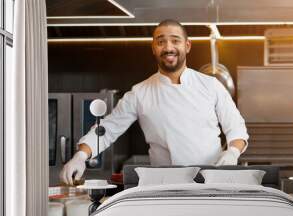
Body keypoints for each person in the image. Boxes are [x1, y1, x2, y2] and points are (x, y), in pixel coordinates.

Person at [60, 19, 249, 185]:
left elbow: (236, 127)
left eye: (175, 40)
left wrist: (232, 152)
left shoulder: (211, 85)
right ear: (153, 48)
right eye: (161, 42)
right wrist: (81, 156)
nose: (168, 47)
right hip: (164, 185)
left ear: (187, 46)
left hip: (212, 181)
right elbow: (107, 128)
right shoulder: (140, 93)